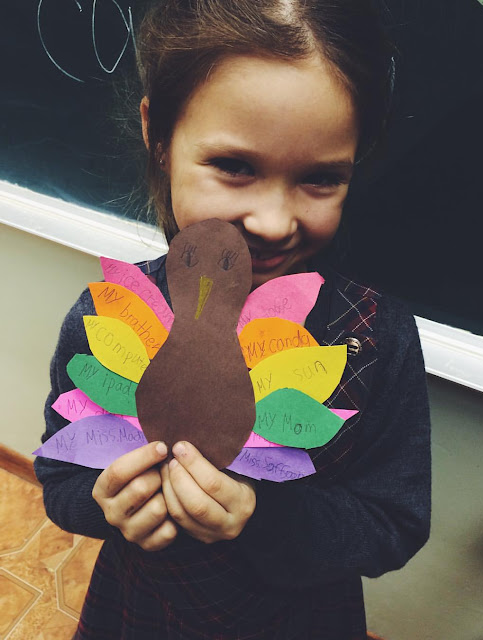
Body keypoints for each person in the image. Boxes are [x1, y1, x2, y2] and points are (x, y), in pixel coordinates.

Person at [34, 1, 431, 638]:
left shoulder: (374, 337)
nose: (273, 222)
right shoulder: (107, 318)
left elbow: (394, 524)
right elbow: (59, 475)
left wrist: (263, 516)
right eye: (235, 166)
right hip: (141, 611)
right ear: (159, 137)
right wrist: (104, 504)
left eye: (321, 178)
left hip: (299, 619)